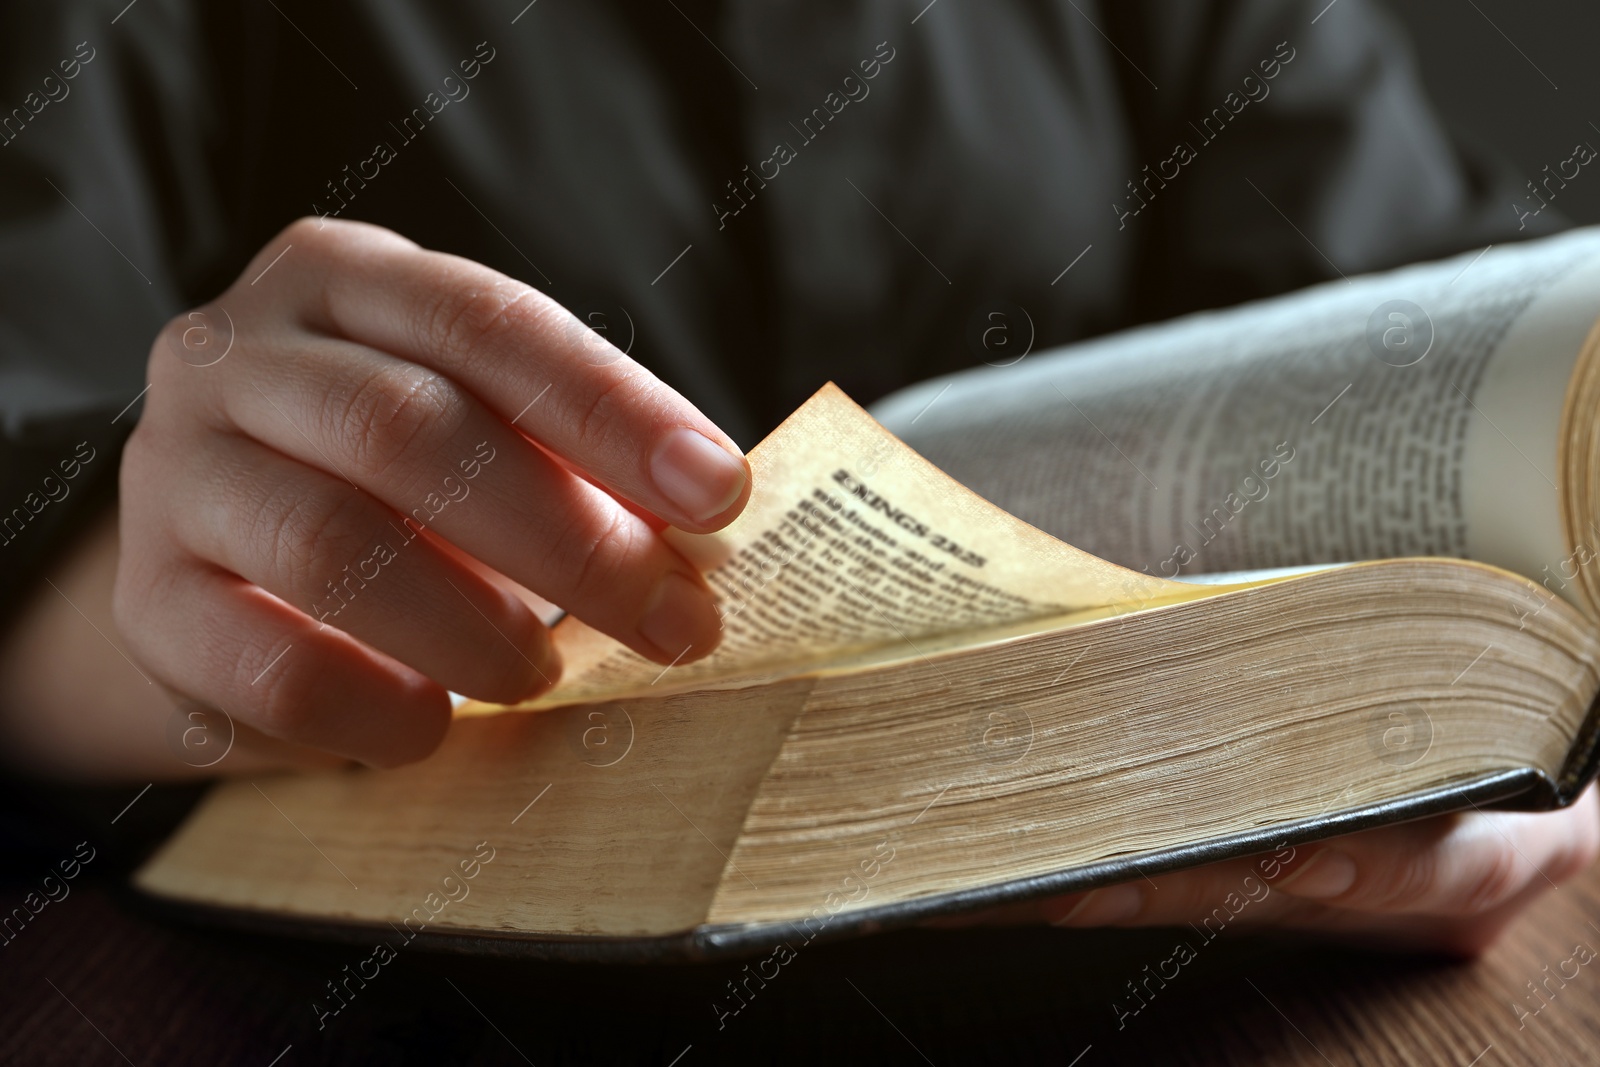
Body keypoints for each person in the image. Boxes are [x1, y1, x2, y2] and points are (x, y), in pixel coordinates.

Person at [0, 0, 1592, 956]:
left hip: (1202, 972)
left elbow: (1483, 349)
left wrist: (1561, 769)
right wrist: (143, 584)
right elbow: (41, 442)